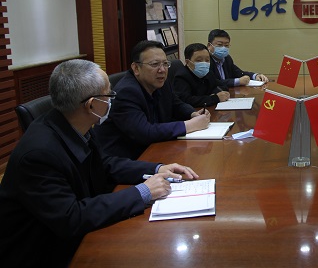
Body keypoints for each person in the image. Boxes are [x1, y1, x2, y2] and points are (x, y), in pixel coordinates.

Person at [0, 59, 199, 267]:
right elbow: (71, 217)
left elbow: (104, 164)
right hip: (42, 253)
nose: (113, 100)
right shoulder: (38, 154)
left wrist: (157, 168)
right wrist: (142, 192)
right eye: (109, 95)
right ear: (91, 105)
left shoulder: (75, 124)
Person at [95, 40, 210, 159]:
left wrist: (193, 114)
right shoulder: (126, 92)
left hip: (155, 148)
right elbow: (144, 132)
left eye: (165, 64)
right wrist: (188, 125)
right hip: (128, 158)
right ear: (136, 68)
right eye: (155, 64)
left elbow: (176, 104)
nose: (162, 70)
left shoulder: (161, 82)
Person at [174, 43, 230, 107]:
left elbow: (222, 85)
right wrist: (214, 98)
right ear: (187, 62)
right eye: (199, 60)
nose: (204, 63)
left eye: (207, 60)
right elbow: (186, 100)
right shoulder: (181, 77)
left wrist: (215, 94)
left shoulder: (208, 73)